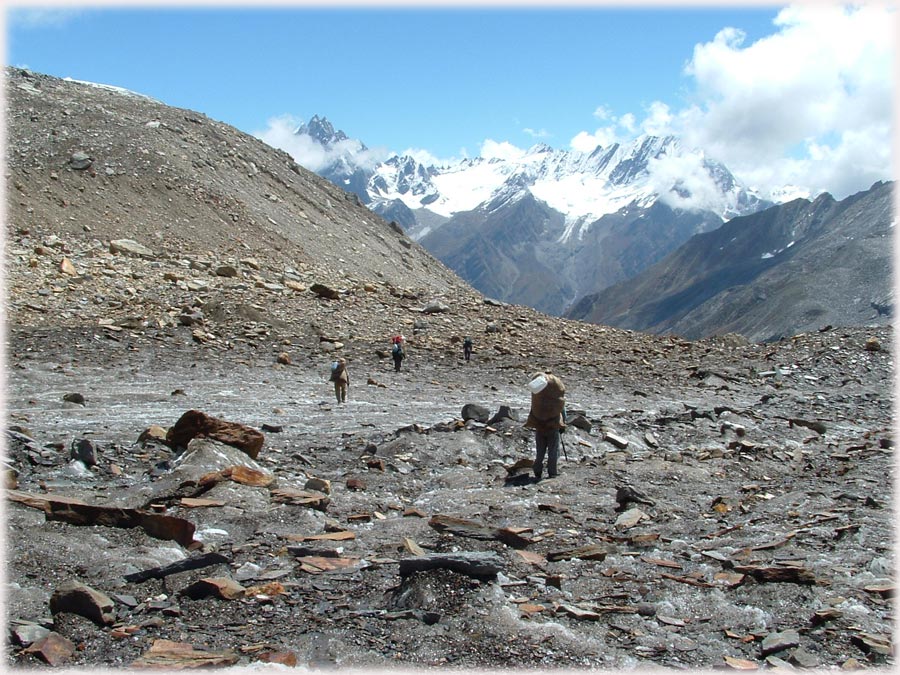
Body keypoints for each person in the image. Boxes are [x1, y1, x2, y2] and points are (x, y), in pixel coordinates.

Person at [524, 372, 566, 480]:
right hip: (553, 426)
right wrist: (563, 425)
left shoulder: (538, 398)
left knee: (540, 451)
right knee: (553, 451)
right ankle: (552, 472)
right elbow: (562, 411)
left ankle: (537, 472)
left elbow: (533, 409)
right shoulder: (556, 400)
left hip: (540, 425)